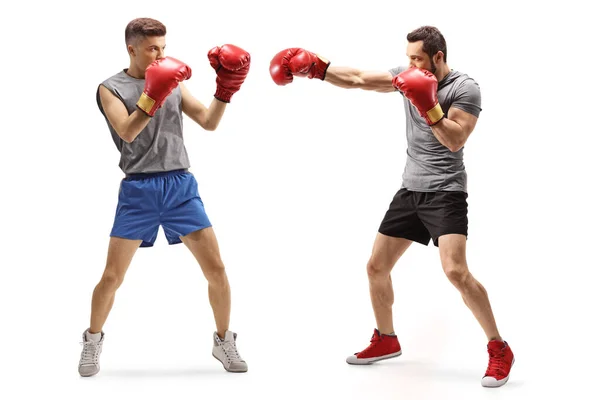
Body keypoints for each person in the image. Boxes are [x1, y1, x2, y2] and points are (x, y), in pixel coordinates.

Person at [269, 26, 515, 388]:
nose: (411, 65)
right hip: (409, 191)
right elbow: (356, 79)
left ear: (439, 57)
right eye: (408, 58)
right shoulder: (407, 76)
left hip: (445, 192)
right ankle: (386, 339)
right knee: (376, 266)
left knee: (455, 272)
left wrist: (428, 105)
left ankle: (499, 348)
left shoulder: (465, 88)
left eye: (417, 59)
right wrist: (317, 68)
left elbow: (455, 139)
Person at [78, 17, 251, 376]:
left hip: (180, 187)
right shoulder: (110, 88)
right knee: (112, 276)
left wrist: (224, 89)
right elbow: (126, 131)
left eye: (163, 48)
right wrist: (151, 94)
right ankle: (92, 342)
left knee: (217, 269)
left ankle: (224, 341)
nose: (160, 55)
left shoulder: (172, 80)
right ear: (132, 49)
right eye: (152, 48)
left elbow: (208, 121)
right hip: (138, 189)